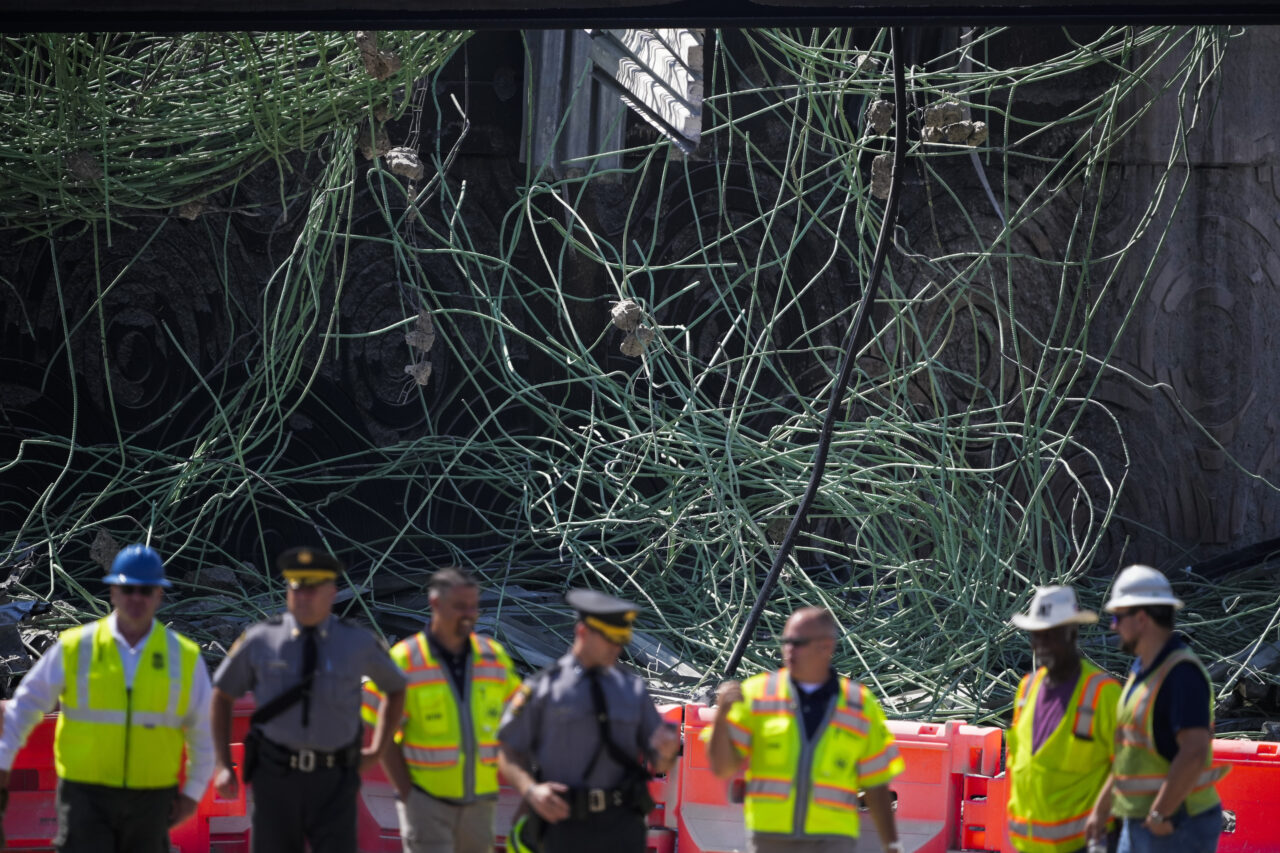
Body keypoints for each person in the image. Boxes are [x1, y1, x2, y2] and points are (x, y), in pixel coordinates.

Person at [0, 543, 215, 852]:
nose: (137, 599)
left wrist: (192, 793)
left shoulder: (183, 656)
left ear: (159, 596)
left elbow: (204, 731)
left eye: (146, 590)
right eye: (129, 590)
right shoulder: (76, 648)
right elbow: (25, 708)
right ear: (113, 592)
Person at [210, 546, 407, 853]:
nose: (304, 597)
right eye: (297, 588)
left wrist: (377, 748)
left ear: (332, 592)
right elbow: (221, 696)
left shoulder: (357, 643)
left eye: (313, 589)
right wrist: (223, 763)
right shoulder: (260, 640)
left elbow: (396, 690)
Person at [706, 606, 905, 853]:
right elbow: (722, 767)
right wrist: (722, 718)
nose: (789, 649)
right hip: (770, 840)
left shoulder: (860, 706)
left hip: (832, 841)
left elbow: (876, 786)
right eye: (786, 641)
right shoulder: (756, 694)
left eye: (798, 642)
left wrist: (892, 845)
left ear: (826, 647)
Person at [497, 588, 681, 853]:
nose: (616, 649)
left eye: (620, 642)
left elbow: (660, 761)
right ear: (583, 632)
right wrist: (531, 790)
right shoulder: (543, 688)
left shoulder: (633, 690)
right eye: (609, 641)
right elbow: (508, 750)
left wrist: (666, 750)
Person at [360, 567, 522, 853]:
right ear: (435, 604)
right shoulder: (405, 660)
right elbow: (379, 732)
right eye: (459, 607)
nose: (469, 615)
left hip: (479, 807)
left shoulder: (492, 657)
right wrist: (409, 794)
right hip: (427, 807)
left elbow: (520, 719)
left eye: (473, 606)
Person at [1090, 564, 1226, 853]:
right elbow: (1130, 752)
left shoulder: (1181, 674)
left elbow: (1194, 752)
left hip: (1176, 824)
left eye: (1118, 617)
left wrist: (1159, 814)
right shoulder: (1142, 671)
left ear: (1141, 619)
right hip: (1144, 821)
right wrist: (1102, 809)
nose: (1113, 626)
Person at [1006, 586, 1122, 853]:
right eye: (1037, 635)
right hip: (1030, 845)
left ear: (1072, 633)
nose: (1041, 645)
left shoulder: (1103, 694)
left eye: (1051, 635)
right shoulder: (1026, 689)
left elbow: (1130, 767)